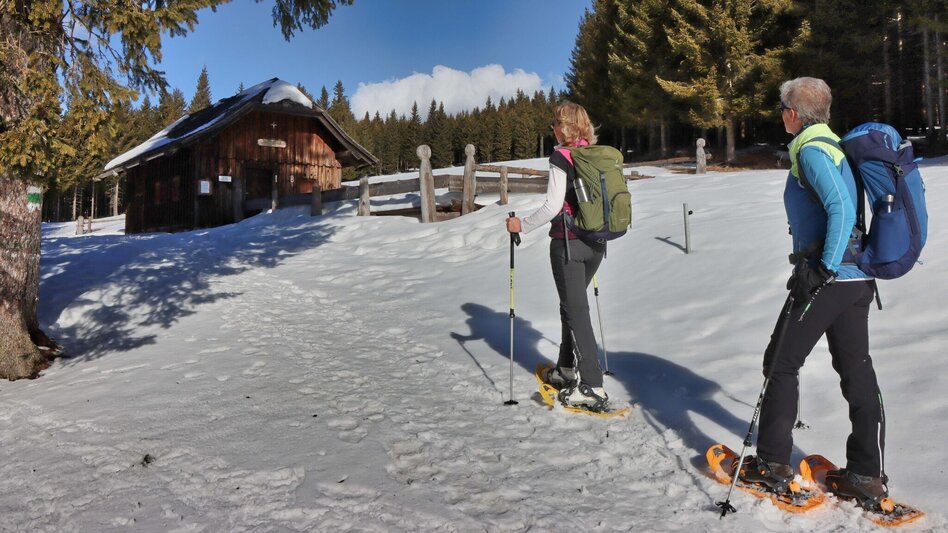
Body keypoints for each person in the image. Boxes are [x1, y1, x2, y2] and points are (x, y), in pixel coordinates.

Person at [738, 77, 889, 509]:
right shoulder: (833, 144)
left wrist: (822, 266)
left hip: (830, 277)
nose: (780, 113)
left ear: (793, 112)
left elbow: (840, 206)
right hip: (855, 278)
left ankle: (771, 464)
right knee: (856, 369)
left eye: (781, 106)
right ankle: (865, 474)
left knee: (781, 362)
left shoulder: (811, 148)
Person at [505, 101, 608, 411]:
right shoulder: (595, 154)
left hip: (568, 244)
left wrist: (520, 225)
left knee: (576, 311)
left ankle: (592, 386)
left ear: (565, 127)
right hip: (597, 244)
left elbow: (552, 207)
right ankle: (565, 369)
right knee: (571, 306)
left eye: (555, 123)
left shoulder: (561, 156)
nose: (551, 127)